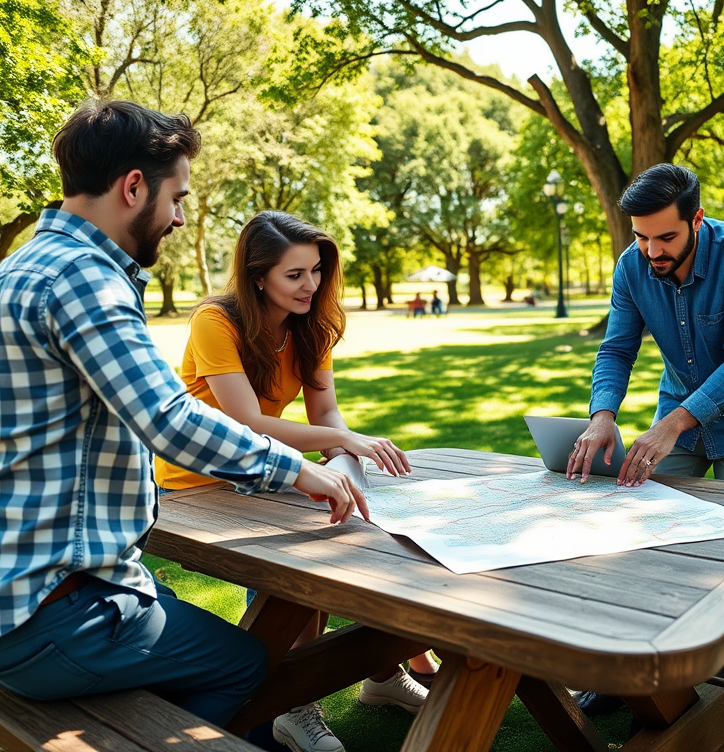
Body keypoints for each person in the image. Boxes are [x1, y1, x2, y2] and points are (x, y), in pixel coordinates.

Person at [0, 100, 365, 729]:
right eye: (177, 197)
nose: (179, 217)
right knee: (247, 664)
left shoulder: (19, 267)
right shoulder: (84, 278)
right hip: (51, 611)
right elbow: (167, 418)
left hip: (29, 592)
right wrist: (301, 471)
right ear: (133, 186)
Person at [155, 211, 436, 752]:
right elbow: (246, 422)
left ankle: (382, 676)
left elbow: (325, 409)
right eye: (295, 275)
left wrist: (345, 450)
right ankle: (292, 706)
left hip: (267, 468)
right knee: (299, 564)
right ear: (258, 276)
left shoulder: (310, 323)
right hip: (199, 483)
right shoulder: (215, 321)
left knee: (362, 527)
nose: (311, 285)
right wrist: (343, 445)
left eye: (316, 271)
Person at [568, 163, 724, 489]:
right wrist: (602, 416)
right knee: (650, 510)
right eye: (641, 237)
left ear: (697, 219)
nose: (653, 251)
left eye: (667, 237)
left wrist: (669, 426)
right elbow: (617, 350)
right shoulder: (630, 267)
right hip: (676, 410)